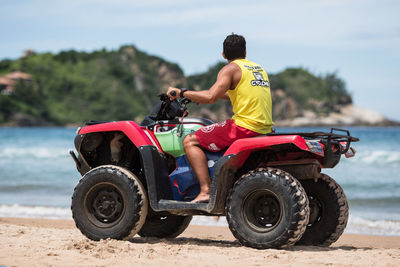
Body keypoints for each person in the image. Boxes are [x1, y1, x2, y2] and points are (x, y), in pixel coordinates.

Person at [167, 33, 273, 203]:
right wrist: (196, 96)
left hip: (243, 127)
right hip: (264, 128)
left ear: (223, 55)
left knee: (189, 141)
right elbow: (232, 95)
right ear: (245, 52)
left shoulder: (230, 69)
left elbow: (210, 96)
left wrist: (181, 93)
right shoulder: (257, 69)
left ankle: (205, 190)